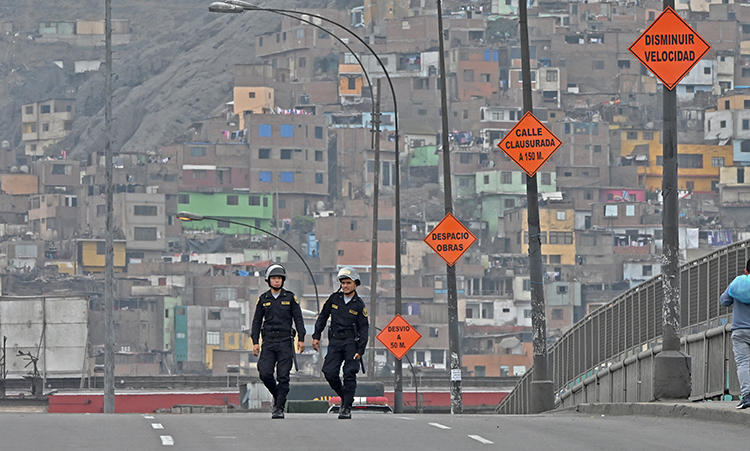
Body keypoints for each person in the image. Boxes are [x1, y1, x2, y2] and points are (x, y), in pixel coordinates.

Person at [312, 267, 369, 419]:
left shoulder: (359, 304)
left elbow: (364, 328)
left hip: (352, 343)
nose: (345, 286)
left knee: (349, 373)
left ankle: (346, 408)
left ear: (355, 284)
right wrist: (316, 336)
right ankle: (345, 396)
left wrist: (361, 349)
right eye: (343, 283)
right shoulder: (334, 299)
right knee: (329, 372)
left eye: (348, 283)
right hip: (336, 341)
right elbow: (323, 317)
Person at [251, 264, 306, 419]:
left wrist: (301, 339)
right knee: (265, 373)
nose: (277, 281)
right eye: (274, 279)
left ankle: (279, 408)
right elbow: (256, 322)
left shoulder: (290, 298)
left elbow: (298, 319)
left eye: (279, 279)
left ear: (283, 280)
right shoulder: (263, 299)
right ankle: (278, 395)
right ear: (268, 281)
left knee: (283, 376)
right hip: (268, 341)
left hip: (285, 342)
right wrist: (255, 342)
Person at [720, 258, 750, 409]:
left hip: (740, 330)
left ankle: (747, 396)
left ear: (746, 271)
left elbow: (724, 301)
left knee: (744, 363)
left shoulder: (738, 283)